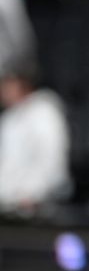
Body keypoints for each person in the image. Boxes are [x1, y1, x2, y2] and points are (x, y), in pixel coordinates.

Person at [0, 56, 70, 211]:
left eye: (7, 84)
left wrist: (29, 194)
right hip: (7, 208)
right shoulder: (8, 118)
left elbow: (51, 162)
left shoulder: (44, 112)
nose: (3, 90)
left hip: (38, 209)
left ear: (23, 83)